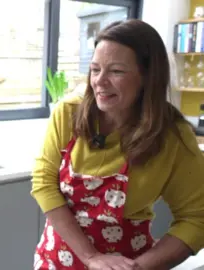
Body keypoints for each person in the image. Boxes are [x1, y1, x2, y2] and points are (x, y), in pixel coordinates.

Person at [31, 19, 204, 270]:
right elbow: (43, 182)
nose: (100, 81)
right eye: (95, 69)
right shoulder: (68, 113)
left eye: (116, 71)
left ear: (147, 76)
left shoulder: (171, 137)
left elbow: (197, 216)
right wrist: (91, 257)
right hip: (56, 261)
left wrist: (138, 267)